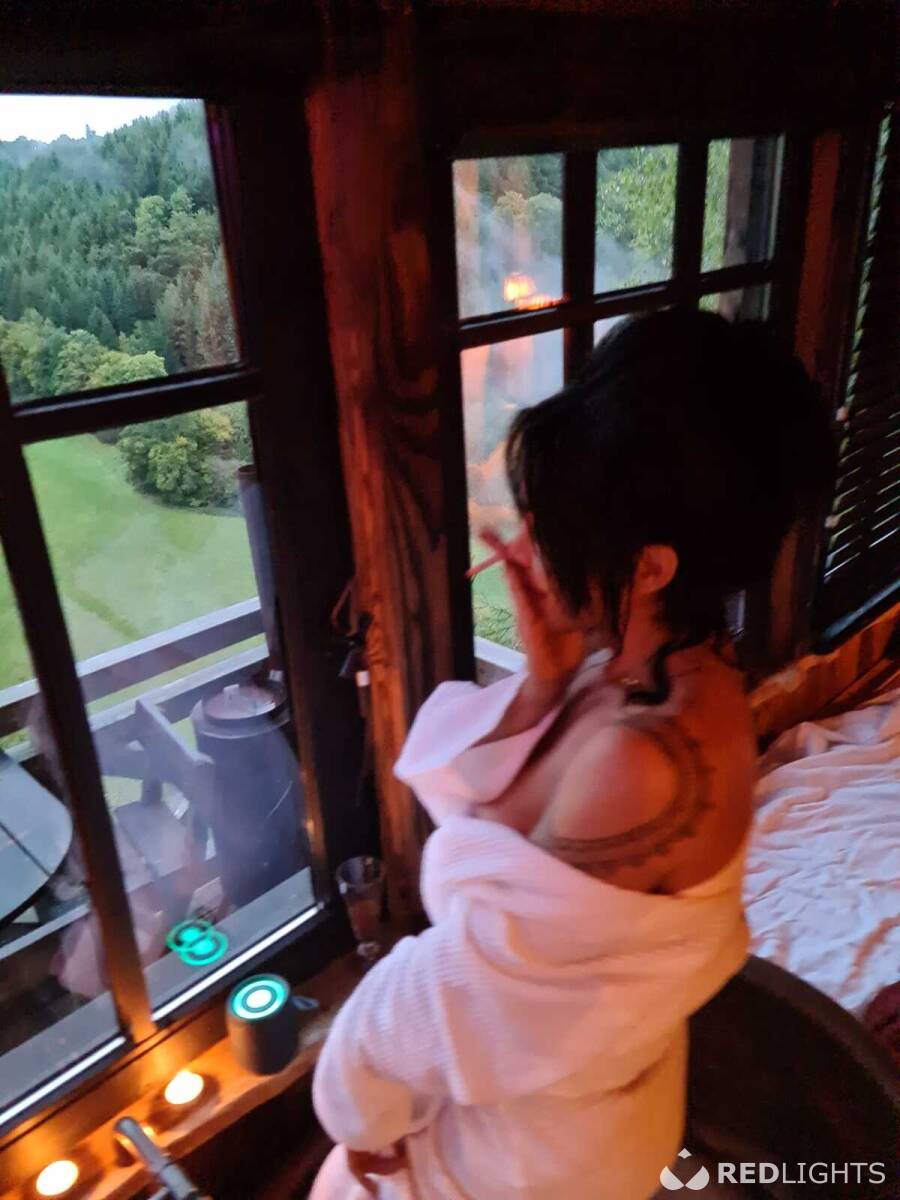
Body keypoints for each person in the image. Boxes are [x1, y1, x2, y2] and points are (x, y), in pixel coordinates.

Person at [309, 310, 837, 1199]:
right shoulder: (660, 669)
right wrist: (544, 682)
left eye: (559, 523)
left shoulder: (648, 764)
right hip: (567, 1110)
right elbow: (503, 861)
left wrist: (354, 1103)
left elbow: (461, 993)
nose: (534, 541)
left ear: (653, 567)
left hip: (531, 1156)